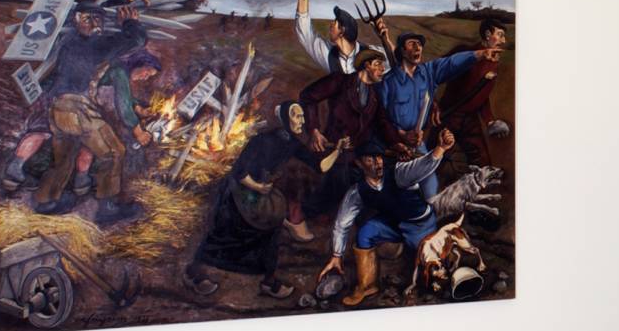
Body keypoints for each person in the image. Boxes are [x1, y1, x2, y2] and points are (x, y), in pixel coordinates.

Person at [188, 103, 349, 298]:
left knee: (270, 235)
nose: (302, 121)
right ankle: (194, 273)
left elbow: (320, 166)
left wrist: (338, 150)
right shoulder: (262, 140)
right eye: (297, 116)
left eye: (302, 116)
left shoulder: (292, 143)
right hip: (238, 194)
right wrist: (257, 187)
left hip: (260, 195)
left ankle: (268, 282)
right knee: (222, 237)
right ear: (285, 118)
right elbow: (240, 171)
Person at [32, 6, 147, 223]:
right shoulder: (94, 44)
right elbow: (135, 41)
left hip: (58, 109)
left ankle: (46, 202)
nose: (94, 24)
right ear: (76, 21)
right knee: (113, 151)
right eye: (87, 18)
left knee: (63, 158)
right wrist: (130, 23)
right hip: (77, 108)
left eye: (98, 19)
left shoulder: (67, 42)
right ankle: (107, 209)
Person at [318, 133, 454, 307]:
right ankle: (367, 286)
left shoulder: (399, 173)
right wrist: (337, 255)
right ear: (359, 163)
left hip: (419, 225)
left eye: (379, 157)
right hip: (394, 224)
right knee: (366, 233)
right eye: (370, 159)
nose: (378, 163)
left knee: (432, 271)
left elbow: (421, 167)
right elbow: (341, 224)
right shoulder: (358, 191)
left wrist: (440, 149)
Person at [373, 27, 499, 197]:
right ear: (402, 51)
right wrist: (400, 135)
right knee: (396, 191)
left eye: (419, 44)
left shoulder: (428, 72)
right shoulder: (387, 82)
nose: (417, 47)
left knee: (430, 188)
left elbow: (451, 63)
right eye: (412, 44)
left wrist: (481, 54)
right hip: (393, 147)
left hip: (418, 145)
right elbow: (380, 118)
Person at [299, 50, 399, 215]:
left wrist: (397, 143)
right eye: (378, 65)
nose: (382, 69)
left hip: (358, 156)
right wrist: (314, 130)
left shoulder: (375, 95)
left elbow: (383, 122)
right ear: (366, 65)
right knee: (327, 199)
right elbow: (308, 96)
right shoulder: (340, 81)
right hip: (334, 153)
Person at [438, 18, 512, 170]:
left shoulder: (493, 61)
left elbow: (481, 94)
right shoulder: (464, 53)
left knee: (484, 166)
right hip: (448, 116)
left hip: (470, 120)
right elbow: (435, 72)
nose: (503, 41)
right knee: (432, 162)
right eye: (500, 35)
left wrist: (489, 121)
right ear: (487, 34)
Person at [291, 0, 380, 75]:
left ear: (342, 31)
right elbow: (306, 35)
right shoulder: (328, 54)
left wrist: (386, 40)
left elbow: (394, 62)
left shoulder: (371, 53)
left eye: (335, 22)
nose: (331, 24)